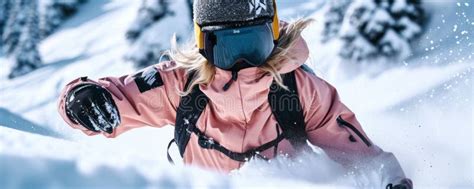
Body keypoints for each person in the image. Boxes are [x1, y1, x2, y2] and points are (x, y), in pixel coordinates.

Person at [57, 0, 412, 188]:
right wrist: (82, 99)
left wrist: (392, 183)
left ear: (272, 36)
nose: (241, 63)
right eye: (225, 46)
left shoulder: (299, 91)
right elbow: (118, 96)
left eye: (253, 44)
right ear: (202, 44)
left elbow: (364, 158)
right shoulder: (183, 86)